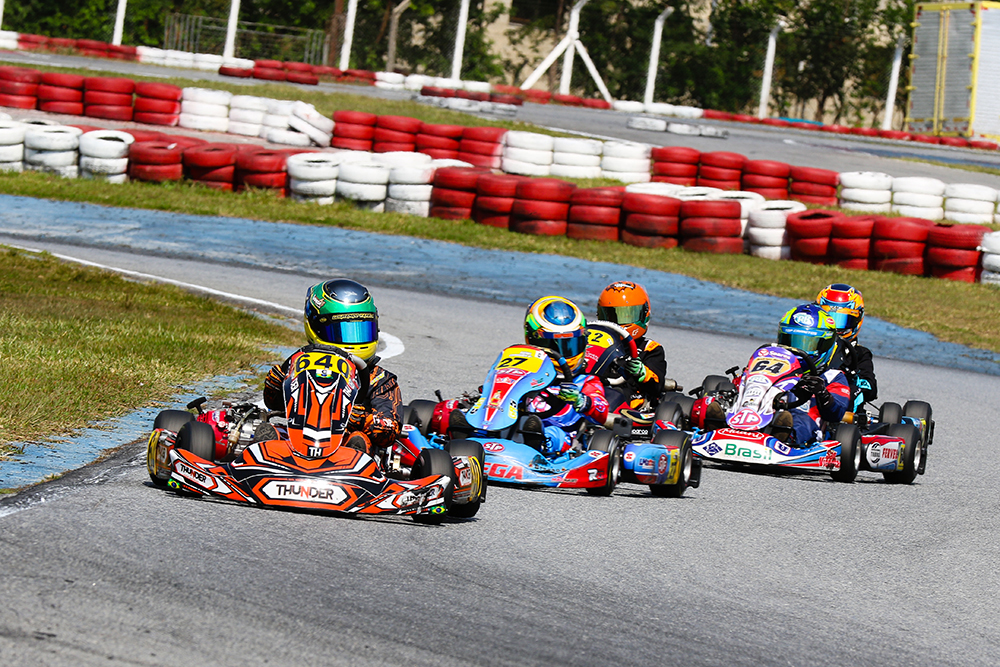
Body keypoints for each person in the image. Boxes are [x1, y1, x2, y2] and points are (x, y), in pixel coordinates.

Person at [262, 279, 402, 457]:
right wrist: (274, 386)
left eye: (361, 330)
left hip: (346, 450)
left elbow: (390, 429)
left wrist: (362, 420)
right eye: (343, 331)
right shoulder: (298, 366)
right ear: (316, 326)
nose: (354, 340)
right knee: (274, 431)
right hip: (298, 439)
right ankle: (265, 450)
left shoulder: (379, 379)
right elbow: (275, 405)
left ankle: (353, 456)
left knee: (359, 439)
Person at [522, 295, 610, 456]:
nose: (561, 354)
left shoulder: (586, 381)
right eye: (552, 346)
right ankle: (466, 431)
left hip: (563, 434)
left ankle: (536, 443)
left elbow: (602, 410)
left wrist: (581, 400)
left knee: (553, 434)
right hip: (516, 421)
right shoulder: (525, 371)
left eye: (569, 345)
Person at [773, 303, 851, 445]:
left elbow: (837, 413)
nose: (796, 349)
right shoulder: (774, 364)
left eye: (807, 345)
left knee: (800, 417)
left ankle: (787, 435)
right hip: (766, 407)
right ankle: (721, 420)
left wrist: (822, 393)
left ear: (824, 346)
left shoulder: (832, 377)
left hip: (804, 418)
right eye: (790, 341)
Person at [595, 281, 668, 410]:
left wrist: (643, 373)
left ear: (644, 314)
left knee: (618, 393)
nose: (617, 322)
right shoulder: (596, 343)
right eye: (611, 315)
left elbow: (657, 386)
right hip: (593, 393)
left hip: (630, 403)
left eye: (626, 315)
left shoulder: (650, 349)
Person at [816, 283, 877, 419]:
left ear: (856, 320)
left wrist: (851, 378)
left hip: (840, 406)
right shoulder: (811, 346)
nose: (834, 327)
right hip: (811, 389)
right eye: (829, 319)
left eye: (840, 320)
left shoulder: (859, 354)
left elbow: (871, 387)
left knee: (852, 390)